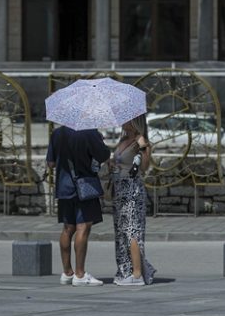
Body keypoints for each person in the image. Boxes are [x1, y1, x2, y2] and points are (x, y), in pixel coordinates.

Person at [46, 125, 111, 287]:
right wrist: (101, 141)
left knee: (68, 228)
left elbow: (51, 163)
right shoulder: (89, 131)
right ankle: (80, 274)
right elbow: (103, 155)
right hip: (83, 186)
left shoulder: (57, 133)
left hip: (64, 187)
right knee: (83, 227)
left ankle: (67, 273)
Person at [110, 114, 156, 286]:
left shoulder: (140, 140)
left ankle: (137, 274)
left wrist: (143, 148)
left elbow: (144, 167)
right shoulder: (123, 139)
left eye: (126, 118)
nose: (122, 120)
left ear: (135, 121)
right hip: (119, 190)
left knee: (132, 230)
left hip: (132, 190)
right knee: (121, 231)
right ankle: (125, 270)